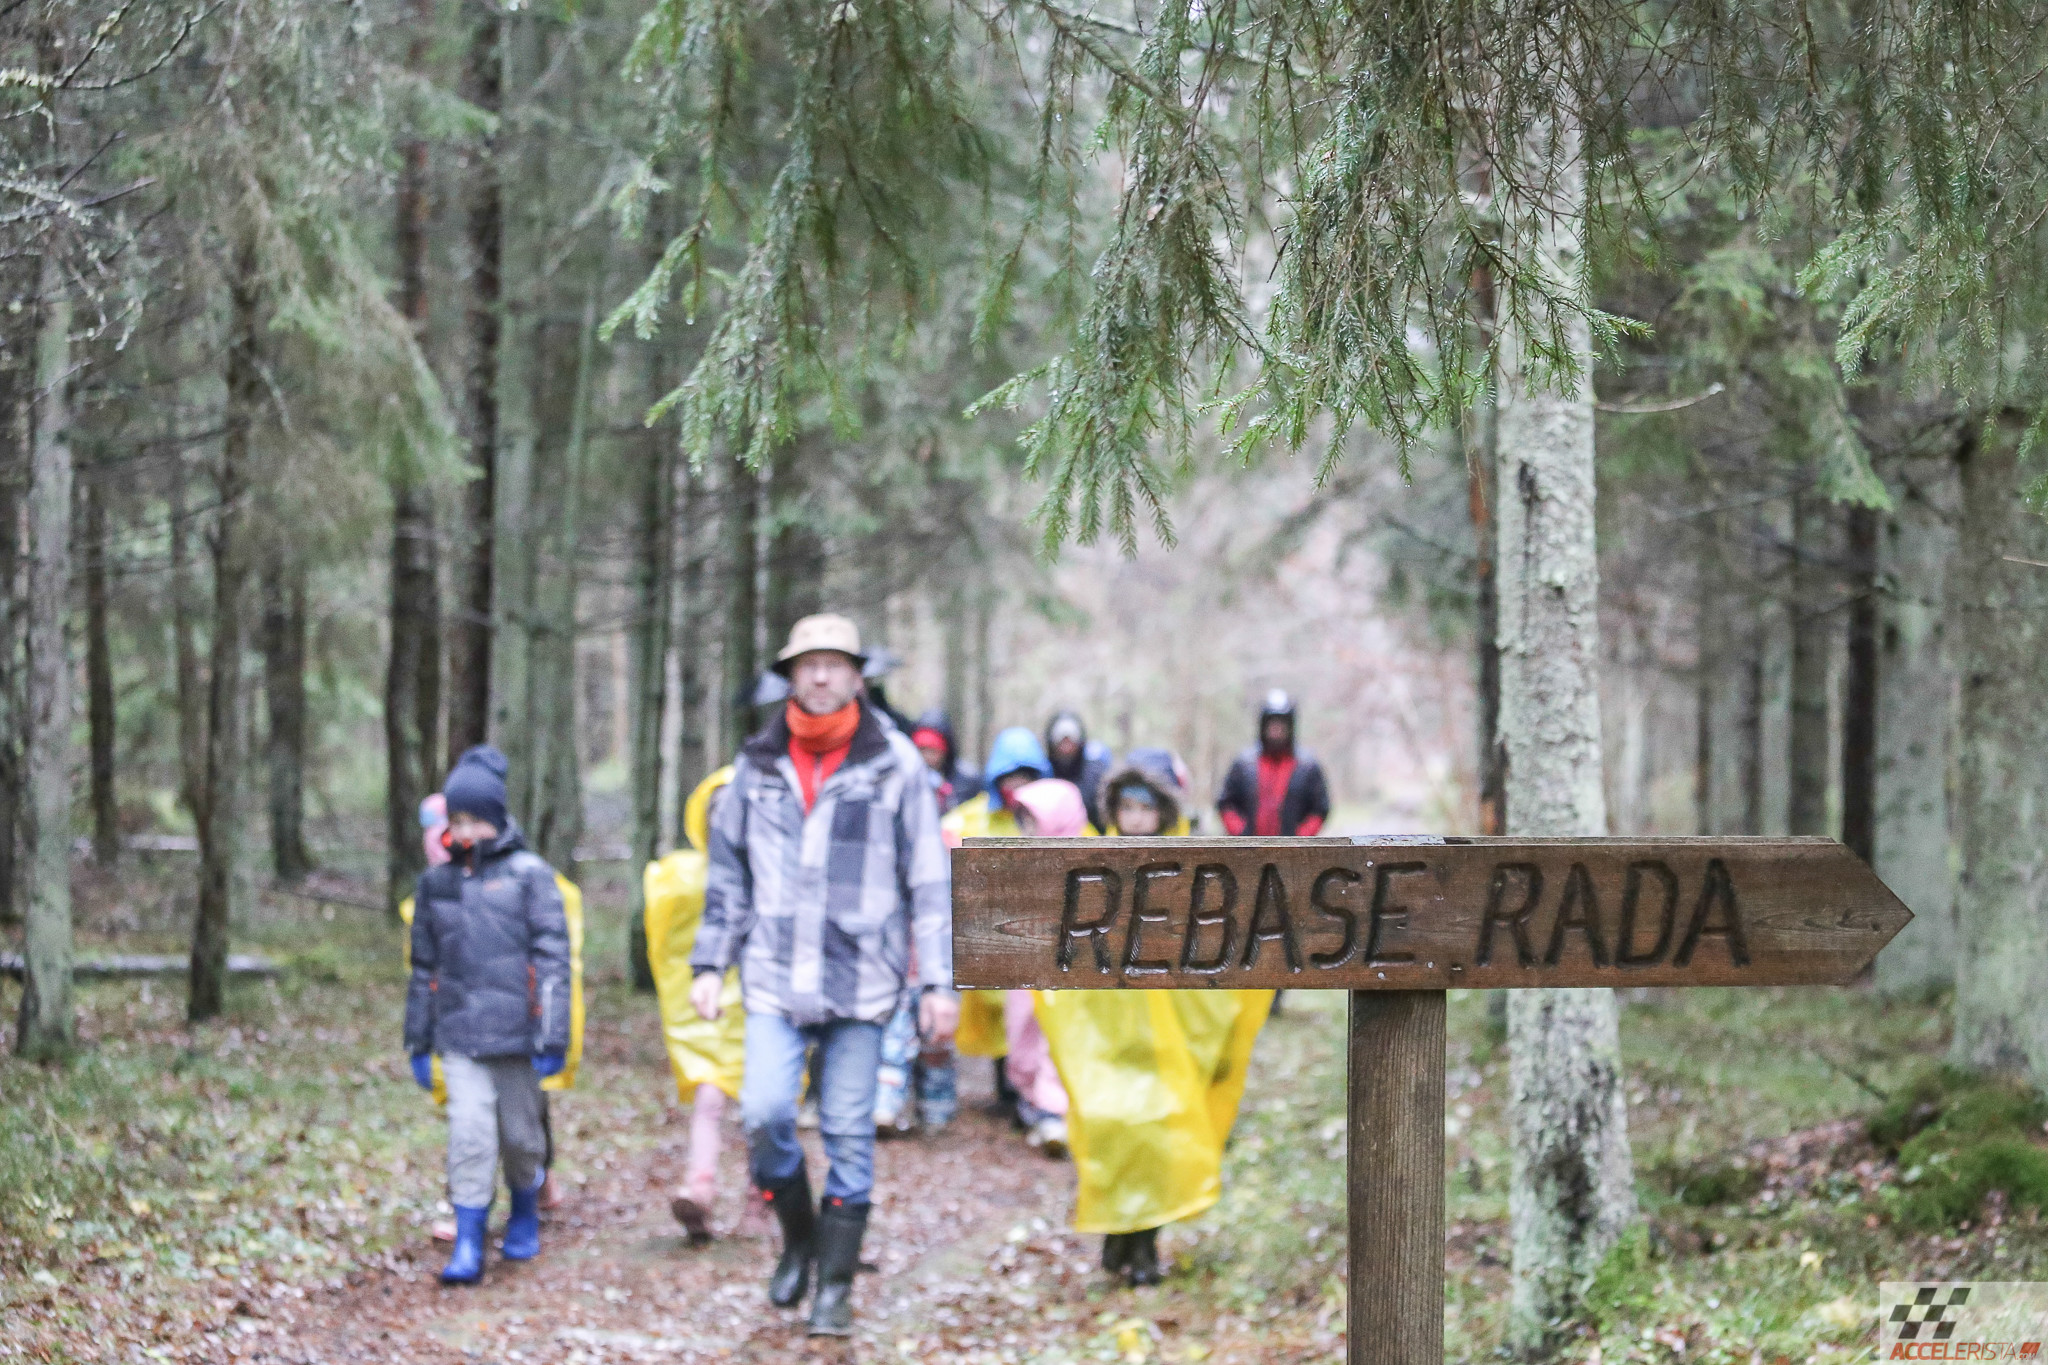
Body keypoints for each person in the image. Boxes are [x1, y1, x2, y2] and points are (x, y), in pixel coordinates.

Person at [687, 613, 957, 1337]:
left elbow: (929, 880)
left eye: (835, 662)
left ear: (858, 675)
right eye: (808, 664)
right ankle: (800, 1240)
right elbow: (728, 875)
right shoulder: (755, 764)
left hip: (861, 980)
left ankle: (833, 1288)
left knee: (847, 1130)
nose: (821, 675)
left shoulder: (895, 763)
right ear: (789, 677)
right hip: (774, 975)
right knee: (766, 1114)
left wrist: (939, 981)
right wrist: (709, 962)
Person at [1035, 749, 1273, 1286]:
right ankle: (1119, 1235)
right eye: (1126, 807)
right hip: (1110, 1031)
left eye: (1146, 808)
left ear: (1163, 811)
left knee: (1161, 1131)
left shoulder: (1190, 868)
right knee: (1114, 1128)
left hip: (1172, 1034)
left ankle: (1143, 1245)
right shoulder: (1093, 866)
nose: (1136, 818)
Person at [404, 746, 572, 1285]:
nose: (465, 831)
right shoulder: (435, 884)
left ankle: (524, 1210)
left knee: (521, 1138)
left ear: (496, 818)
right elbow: (423, 968)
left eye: (474, 819)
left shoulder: (530, 876)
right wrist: (418, 1041)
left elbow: (553, 961)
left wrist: (552, 1036)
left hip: (518, 1039)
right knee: (469, 1135)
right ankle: (469, 1239)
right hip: (459, 1037)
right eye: (456, 820)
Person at [644, 767, 747, 1243]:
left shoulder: (777, 876)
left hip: (764, 1014)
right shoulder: (686, 878)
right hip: (713, 1016)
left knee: (766, 1115)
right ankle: (700, 1187)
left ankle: (763, 1199)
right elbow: (669, 943)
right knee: (710, 1099)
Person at [941, 727, 1055, 1114]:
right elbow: (950, 834)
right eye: (1010, 778)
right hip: (990, 936)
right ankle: (1007, 1089)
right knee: (997, 1017)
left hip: (1037, 936)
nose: (1017, 787)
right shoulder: (975, 817)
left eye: (1025, 777)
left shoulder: (1047, 817)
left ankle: (1031, 1095)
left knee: (1032, 1017)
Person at [1215, 689, 1331, 837]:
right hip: (1248, 847)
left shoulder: (1307, 766)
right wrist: (1240, 834)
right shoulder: (1244, 763)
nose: (1276, 730)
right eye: (1272, 724)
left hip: (1293, 848)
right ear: (1263, 726)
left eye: (1281, 725)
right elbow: (1226, 803)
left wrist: (1301, 838)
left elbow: (1320, 808)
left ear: (1290, 726)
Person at [1045, 710, 1114, 833]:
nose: (1066, 746)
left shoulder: (1095, 774)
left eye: (1071, 740)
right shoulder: (1043, 774)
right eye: (1061, 740)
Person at [910, 708, 978, 815]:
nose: (927, 756)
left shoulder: (967, 780)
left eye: (933, 750)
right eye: (922, 749)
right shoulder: (906, 778)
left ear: (945, 751)